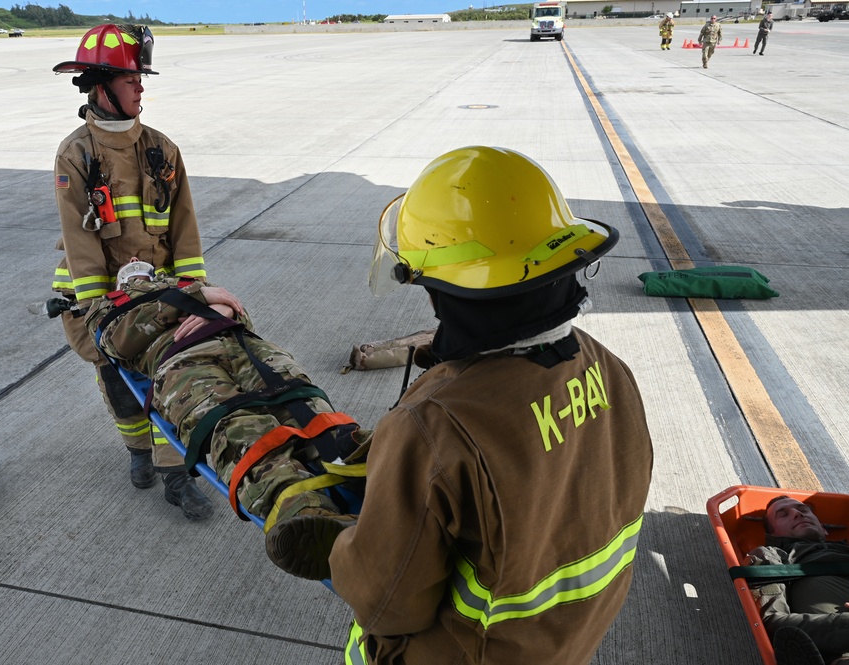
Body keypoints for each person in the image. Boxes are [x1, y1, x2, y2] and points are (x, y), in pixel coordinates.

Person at [265, 146, 654, 664]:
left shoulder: (434, 426)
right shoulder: (609, 369)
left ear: (440, 292)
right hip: (567, 645)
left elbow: (388, 607)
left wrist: (339, 552)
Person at [50, 24, 229, 520]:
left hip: (163, 292)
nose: (142, 88)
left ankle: (177, 476)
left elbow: (185, 225)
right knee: (119, 382)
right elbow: (80, 239)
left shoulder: (162, 149)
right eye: (132, 80)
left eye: (140, 79)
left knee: (170, 378)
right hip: (103, 295)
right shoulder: (76, 153)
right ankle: (137, 453)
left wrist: (193, 292)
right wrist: (96, 309)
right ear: (101, 86)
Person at [84, 261, 365, 561]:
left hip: (241, 342)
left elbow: (241, 312)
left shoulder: (183, 282)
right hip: (181, 360)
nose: (133, 262)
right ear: (118, 282)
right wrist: (199, 298)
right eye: (127, 268)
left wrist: (229, 311)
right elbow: (117, 341)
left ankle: (369, 466)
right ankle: (301, 509)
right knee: (234, 425)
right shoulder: (107, 305)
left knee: (306, 406)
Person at [744, 496, 849, 665]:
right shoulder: (771, 557)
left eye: (803, 510)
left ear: (823, 529)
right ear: (773, 535)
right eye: (783, 514)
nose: (797, 514)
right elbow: (772, 623)